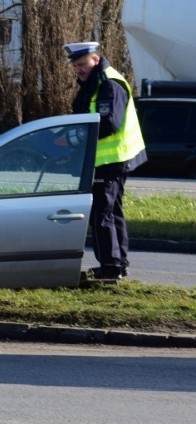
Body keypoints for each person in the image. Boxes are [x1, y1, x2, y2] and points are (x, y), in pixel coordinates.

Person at [63, 41, 147, 280]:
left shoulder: (108, 83)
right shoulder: (96, 82)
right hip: (108, 159)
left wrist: (72, 138)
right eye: (75, 65)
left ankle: (110, 269)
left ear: (96, 59)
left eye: (82, 64)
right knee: (111, 213)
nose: (78, 69)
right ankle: (118, 264)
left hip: (111, 160)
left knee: (101, 214)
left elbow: (108, 123)